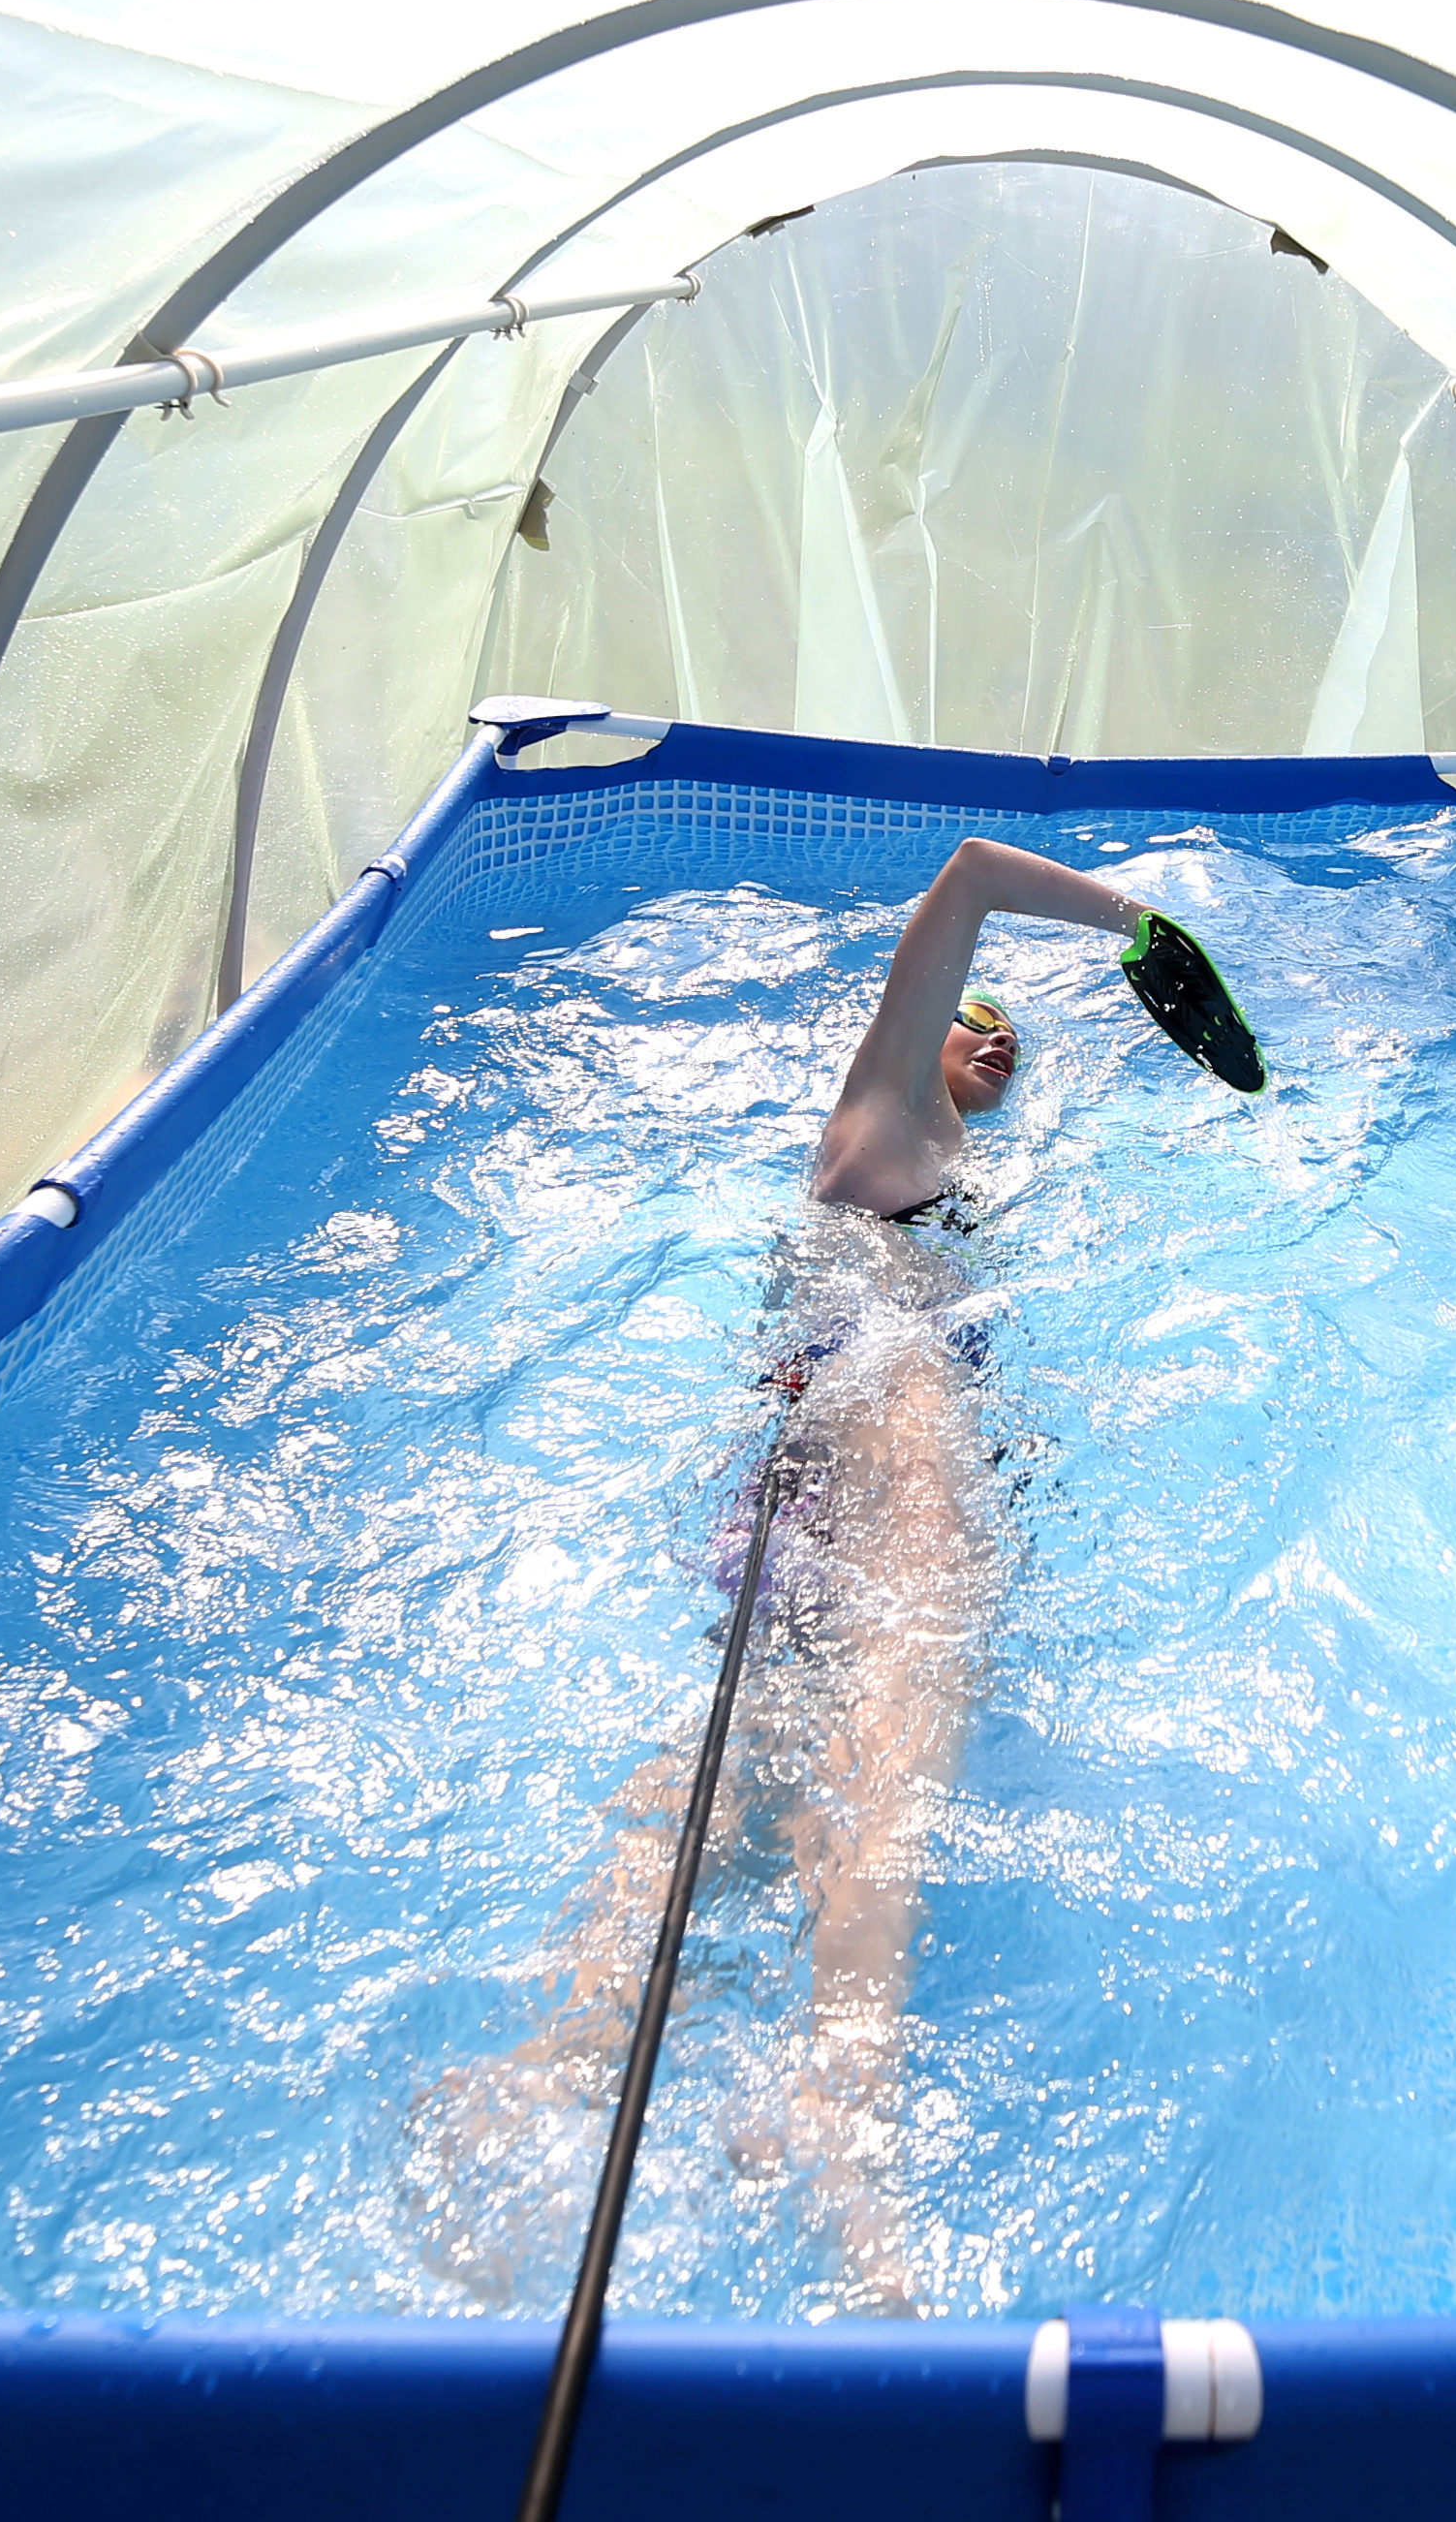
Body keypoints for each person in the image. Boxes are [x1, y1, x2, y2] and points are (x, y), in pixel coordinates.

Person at [424, 837, 1163, 2314]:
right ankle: (839, 2094)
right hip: (894, 1436)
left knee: (739, 1770)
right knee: (900, 1737)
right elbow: (962, 880)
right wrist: (1139, 922)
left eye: (1014, 1040)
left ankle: (558, 2054)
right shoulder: (881, 1121)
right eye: (977, 1022)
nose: (998, 1043)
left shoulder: (929, 1166)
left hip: (794, 1480)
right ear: (914, 1035)